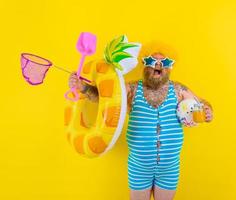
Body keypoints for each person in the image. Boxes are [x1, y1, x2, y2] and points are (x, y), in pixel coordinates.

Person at [68, 51, 213, 200]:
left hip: (169, 169)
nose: (158, 65)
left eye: (164, 62)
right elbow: (104, 99)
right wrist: (84, 88)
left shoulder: (178, 90)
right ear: (144, 65)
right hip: (139, 168)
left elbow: (200, 104)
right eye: (152, 61)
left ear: (170, 68)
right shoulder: (132, 89)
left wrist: (208, 111)